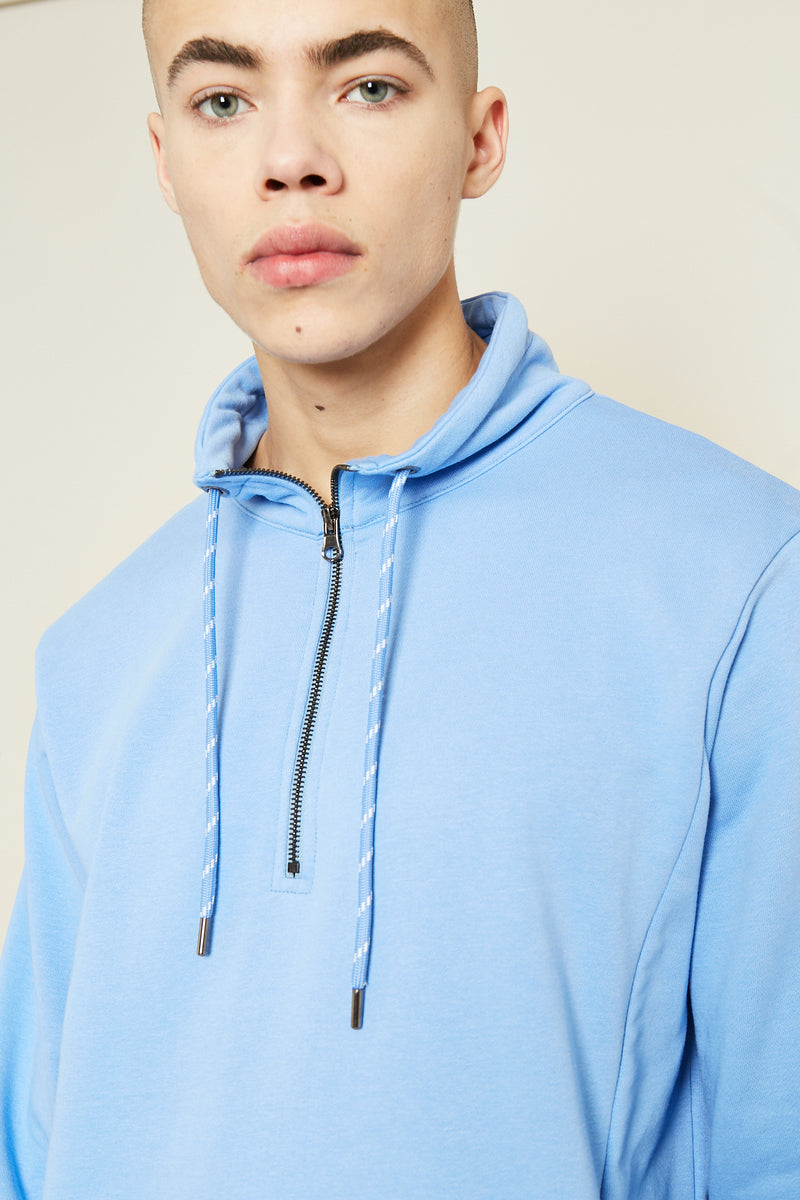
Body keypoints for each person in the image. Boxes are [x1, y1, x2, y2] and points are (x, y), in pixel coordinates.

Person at [1, 0, 799, 1196]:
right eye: (222, 100)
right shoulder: (94, 654)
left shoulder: (739, 573)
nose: (290, 159)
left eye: (367, 85)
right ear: (165, 160)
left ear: (478, 138)